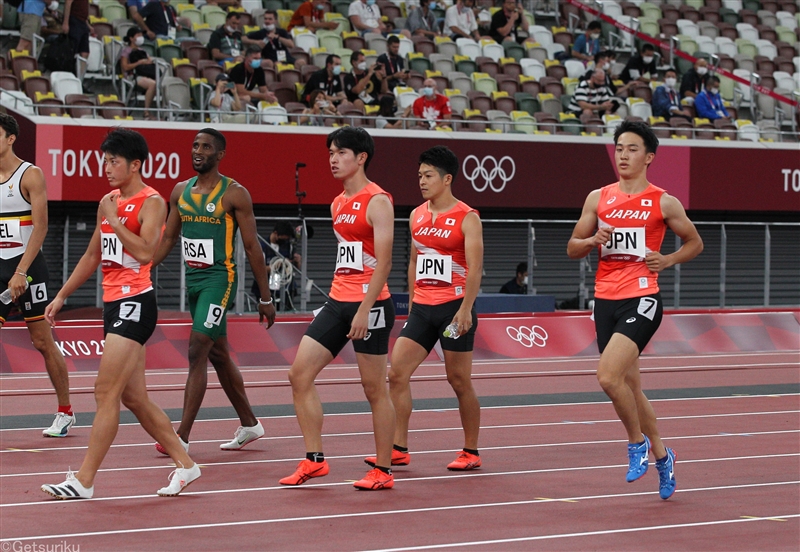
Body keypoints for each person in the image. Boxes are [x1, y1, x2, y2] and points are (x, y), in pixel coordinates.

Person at [41, 128, 201, 499]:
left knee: (104, 391)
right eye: (105, 160)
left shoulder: (153, 202)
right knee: (135, 398)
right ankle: (187, 464)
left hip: (136, 303)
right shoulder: (108, 201)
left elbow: (146, 252)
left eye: (114, 161)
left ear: (136, 164)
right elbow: (94, 255)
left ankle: (84, 481)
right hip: (113, 305)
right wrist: (62, 295)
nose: (107, 167)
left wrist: (114, 220)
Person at [567, 120, 703, 500]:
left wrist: (669, 258)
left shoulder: (663, 201)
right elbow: (572, 247)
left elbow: (695, 242)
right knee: (631, 387)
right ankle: (663, 456)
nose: (623, 155)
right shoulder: (598, 197)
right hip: (605, 299)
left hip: (643, 297)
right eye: (619, 148)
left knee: (608, 377)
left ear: (649, 157)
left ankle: (636, 443)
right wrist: (593, 238)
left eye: (631, 149)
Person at [280, 127, 396, 490]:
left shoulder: (378, 201)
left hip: (371, 305)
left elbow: (384, 263)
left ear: (361, 158)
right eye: (330, 152)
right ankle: (315, 460)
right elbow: (351, 257)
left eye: (341, 152)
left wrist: (364, 308)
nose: (332, 158)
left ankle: (384, 470)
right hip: (337, 300)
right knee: (299, 375)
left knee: (374, 388)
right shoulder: (337, 203)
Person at [151, 129, 276, 455]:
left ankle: (181, 437)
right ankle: (250, 424)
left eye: (206, 147)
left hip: (220, 282)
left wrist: (265, 297)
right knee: (218, 355)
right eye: (194, 145)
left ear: (219, 154)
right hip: (193, 282)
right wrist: (143, 266)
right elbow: (167, 239)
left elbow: (252, 248)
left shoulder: (234, 194)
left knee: (197, 349)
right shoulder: (180, 191)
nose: (198, 151)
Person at [365, 145, 484, 473]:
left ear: (447, 179)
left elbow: (475, 269)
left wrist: (466, 310)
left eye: (428, 175)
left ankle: (471, 450)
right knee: (396, 373)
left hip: (454, 308)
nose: (421, 181)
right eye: (419, 175)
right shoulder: (416, 215)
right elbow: (416, 260)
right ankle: (399, 447)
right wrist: (414, 300)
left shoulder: (468, 217)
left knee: (458, 380)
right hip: (423, 308)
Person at [0, 113, 74, 439]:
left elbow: (40, 227)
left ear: (10, 138)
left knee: (42, 341)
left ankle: (65, 411)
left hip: (28, 267)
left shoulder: (30, 175)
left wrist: (20, 272)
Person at [250, 221, 302, 305]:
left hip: (285, 289)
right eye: (282, 239)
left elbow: (293, 268)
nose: (284, 242)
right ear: (275, 233)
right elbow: (258, 270)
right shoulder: (261, 247)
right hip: (265, 290)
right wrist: (277, 265)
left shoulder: (288, 246)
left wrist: (297, 261)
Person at [120, 27, 157, 120]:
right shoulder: (126, 51)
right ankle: (146, 112)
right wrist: (139, 63)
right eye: (138, 35)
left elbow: (149, 61)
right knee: (152, 84)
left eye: (141, 35)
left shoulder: (142, 51)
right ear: (131, 38)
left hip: (146, 75)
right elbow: (125, 67)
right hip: (132, 76)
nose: (141, 37)